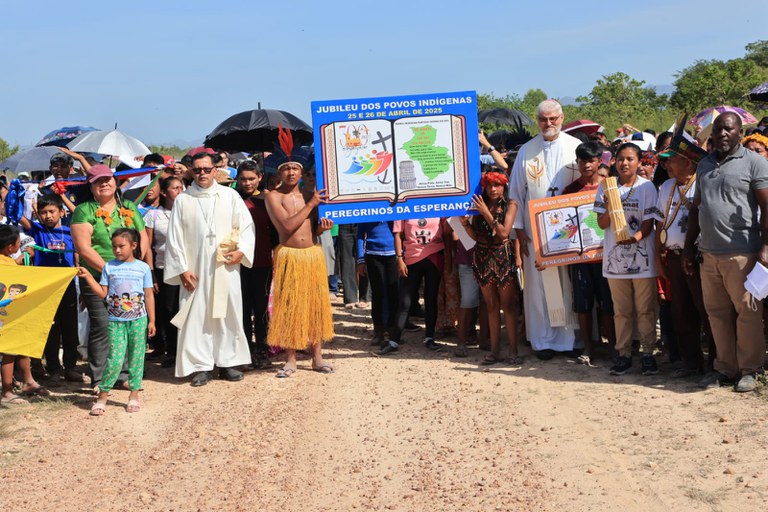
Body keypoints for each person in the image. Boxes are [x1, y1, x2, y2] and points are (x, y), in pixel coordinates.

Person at [683, 113, 768, 392]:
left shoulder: (755, 163)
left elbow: (767, 209)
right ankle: (725, 368)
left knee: (747, 313)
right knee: (717, 313)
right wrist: (688, 247)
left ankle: (750, 370)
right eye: (718, 129)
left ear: (739, 132)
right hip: (709, 253)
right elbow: (697, 208)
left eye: (728, 129)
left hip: (743, 252)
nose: (722, 134)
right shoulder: (705, 164)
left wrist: (765, 248)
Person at [164, 153, 255, 386]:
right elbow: (174, 237)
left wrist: (242, 251)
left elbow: (246, 226)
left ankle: (228, 362)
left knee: (228, 311)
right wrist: (182, 269)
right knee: (197, 315)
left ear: (215, 170)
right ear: (191, 172)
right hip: (195, 269)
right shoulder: (184, 200)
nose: (202, 173)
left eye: (206, 169)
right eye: (197, 170)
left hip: (225, 266)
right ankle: (200, 366)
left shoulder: (230, 195)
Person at [508, 99, 582, 359]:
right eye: (543, 119)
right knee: (539, 286)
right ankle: (544, 341)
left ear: (562, 118)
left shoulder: (576, 148)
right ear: (537, 120)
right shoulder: (527, 151)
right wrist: (518, 229)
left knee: (570, 283)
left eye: (553, 119)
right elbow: (515, 192)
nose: (548, 124)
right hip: (534, 232)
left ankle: (572, 340)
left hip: (570, 231)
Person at [71, 164, 148, 392]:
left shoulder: (129, 207)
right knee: (103, 326)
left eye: (107, 179)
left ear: (115, 182)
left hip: (129, 280)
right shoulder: (83, 210)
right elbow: (84, 248)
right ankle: (100, 379)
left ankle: (122, 375)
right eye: (97, 181)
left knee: (126, 325)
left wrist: (136, 266)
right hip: (96, 276)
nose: (103, 183)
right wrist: (111, 271)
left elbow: (142, 237)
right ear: (91, 185)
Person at [264, 160, 335, 377]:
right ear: (279, 172)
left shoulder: (309, 194)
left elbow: (312, 228)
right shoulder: (273, 196)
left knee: (315, 306)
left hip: (312, 253)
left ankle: (317, 357)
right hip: (289, 255)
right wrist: (312, 204)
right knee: (289, 307)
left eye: (294, 168)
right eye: (285, 168)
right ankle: (290, 359)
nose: (290, 172)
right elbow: (286, 226)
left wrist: (322, 229)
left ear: (302, 172)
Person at [594, 143, 659, 376]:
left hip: (642, 258)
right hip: (616, 260)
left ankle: (648, 353)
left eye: (630, 159)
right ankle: (623, 354)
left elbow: (649, 222)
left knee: (645, 309)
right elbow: (601, 225)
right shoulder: (606, 187)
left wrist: (636, 239)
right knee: (621, 310)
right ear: (614, 162)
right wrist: (611, 207)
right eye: (620, 159)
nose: (624, 163)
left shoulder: (647, 187)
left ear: (639, 162)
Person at [654, 132, 713, 378]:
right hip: (675, 256)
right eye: (665, 160)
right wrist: (659, 259)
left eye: (672, 159)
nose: (666, 164)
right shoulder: (666, 186)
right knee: (680, 310)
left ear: (688, 162)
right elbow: (659, 226)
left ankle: (715, 363)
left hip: (700, 257)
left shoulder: (703, 182)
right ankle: (691, 362)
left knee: (706, 309)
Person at [77, 228, 155, 415]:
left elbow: (148, 295)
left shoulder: (143, 268)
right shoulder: (109, 267)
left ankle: (134, 396)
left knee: (137, 358)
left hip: (138, 321)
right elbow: (103, 293)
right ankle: (102, 397)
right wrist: (88, 276)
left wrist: (152, 320)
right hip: (115, 321)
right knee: (114, 360)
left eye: (121, 246)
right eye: (114, 247)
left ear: (134, 245)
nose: (117, 250)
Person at [19, 194, 83, 384]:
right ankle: (53, 369)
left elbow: (78, 255)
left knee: (70, 328)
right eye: (43, 212)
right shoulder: (38, 230)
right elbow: (19, 217)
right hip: (46, 289)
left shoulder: (71, 231)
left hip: (68, 286)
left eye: (52, 211)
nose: (48, 216)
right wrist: (14, 197)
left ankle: (71, 368)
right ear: (38, 214)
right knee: (51, 329)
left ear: (61, 212)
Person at [460, 170, 520, 365]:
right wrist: (466, 225)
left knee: (508, 307)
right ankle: (495, 351)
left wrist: (485, 212)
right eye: (489, 185)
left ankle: (513, 351)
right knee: (491, 306)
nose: (493, 189)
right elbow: (476, 237)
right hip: (483, 257)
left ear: (504, 187)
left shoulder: (510, 205)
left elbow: (503, 234)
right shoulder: (477, 206)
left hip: (503, 257)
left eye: (497, 185)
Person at [564, 142, 615, 365]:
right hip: (580, 257)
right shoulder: (570, 191)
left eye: (591, 160)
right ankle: (587, 347)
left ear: (599, 162)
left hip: (607, 256)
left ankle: (613, 346)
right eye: (582, 160)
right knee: (582, 303)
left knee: (608, 303)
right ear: (577, 163)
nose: (586, 165)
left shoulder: (610, 188)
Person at [377, 217, 452, 355]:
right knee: (405, 302)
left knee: (431, 299)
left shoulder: (437, 202)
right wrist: (399, 258)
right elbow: (398, 234)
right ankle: (394, 341)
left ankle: (429, 337)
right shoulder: (405, 204)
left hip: (434, 256)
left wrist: (449, 257)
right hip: (411, 258)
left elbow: (447, 232)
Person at [0, 225, 50, 405]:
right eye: (18, 244)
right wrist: (22, 259)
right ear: (10, 248)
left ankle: (28, 382)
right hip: (6, 317)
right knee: (10, 349)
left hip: (12, 314)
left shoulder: (7, 261)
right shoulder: (7, 263)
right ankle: (6, 390)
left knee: (21, 344)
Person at [235, 160, 277, 369]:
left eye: (251, 178)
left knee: (261, 309)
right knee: (241, 309)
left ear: (260, 177)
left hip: (262, 262)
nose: (247, 182)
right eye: (243, 179)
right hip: (238, 264)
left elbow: (277, 231)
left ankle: (262, 350)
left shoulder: (267, 200)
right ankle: (244, 351)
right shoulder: (233, 200)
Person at [144, 176, 183, 368]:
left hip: (187, 268)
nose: (179, 191)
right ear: (165, 192)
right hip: (163, 268)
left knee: (186, 308)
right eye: (174, 188)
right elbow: (148, 246)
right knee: (168, 309)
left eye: (181, 187)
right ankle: (172, 351)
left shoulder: (188, 211)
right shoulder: (153, 215)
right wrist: (151, 273)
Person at [357, 221, 398, 346]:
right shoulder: (368, 206)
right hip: (373, 254)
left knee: (394, 292)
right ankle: (378, 330)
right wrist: (360, 259)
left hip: (394, 253)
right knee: (378, 293)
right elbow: (360, 234)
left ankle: (392, 330)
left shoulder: (396, 205)